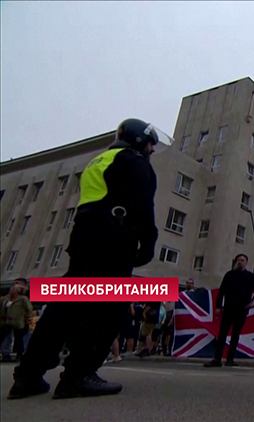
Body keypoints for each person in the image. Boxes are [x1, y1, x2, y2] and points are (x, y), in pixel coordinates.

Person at [8, 119, 160, 400]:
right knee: (109, 309)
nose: (151, 148)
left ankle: (28, 375)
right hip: (114, 236)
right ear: (139, 139)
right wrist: (148, 244)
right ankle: (79, 374)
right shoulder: (134, 162)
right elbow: (142, 205)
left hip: (84, 237)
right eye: (150, 142)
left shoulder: (99, 160)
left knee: (66, 306)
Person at [204, 254, 254, 367]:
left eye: (242, 260)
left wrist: (253, 303)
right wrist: (218, 307)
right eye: (238, 260)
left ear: (246, 262)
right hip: (229, 309)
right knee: (222, 334)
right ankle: (217, 359)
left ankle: (230, 359)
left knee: (236, 335)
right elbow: (221, 291)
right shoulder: (229, 275)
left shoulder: (250, 276)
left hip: (241, 310)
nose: (240, 262)